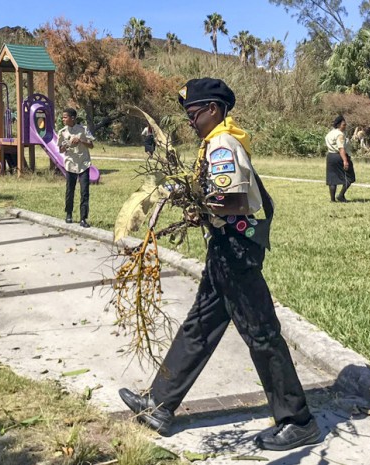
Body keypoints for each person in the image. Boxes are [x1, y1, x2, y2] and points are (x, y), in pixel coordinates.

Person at [118, 78, 320, 452]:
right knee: (200, 324)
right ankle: (159, 405)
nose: (190, 121)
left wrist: (198, 204)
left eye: (194, 113)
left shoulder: (223, 144)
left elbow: (236, 201)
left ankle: (298, 420)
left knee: (261, 333)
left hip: (236, 251)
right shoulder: (215, 142)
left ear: (213, 109)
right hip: (225, 247)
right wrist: (200, 208)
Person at [57, 108, 94, 227]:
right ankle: (69, 214)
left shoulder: (83, 129)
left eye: (65, 117)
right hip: (70, 164)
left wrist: (81, 140)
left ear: (72, 118)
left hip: (83, 164)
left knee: (84, 192)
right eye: (63, 117)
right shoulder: (62, 132)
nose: (63, 119)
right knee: (70, 190)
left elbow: (91, 145)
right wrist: (67, 145)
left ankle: (83, 218)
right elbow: (60, 150)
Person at [325, 115, 356, 202]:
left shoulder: (330, 133)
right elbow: (341, 148)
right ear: (338, 125)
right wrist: (345, 161)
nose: (345, 126)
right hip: (339, 156)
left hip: (330, 156)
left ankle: (332, 199)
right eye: (343, 125)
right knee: (350, 177)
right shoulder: (340, 134)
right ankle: (341, 195)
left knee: (332, 178)